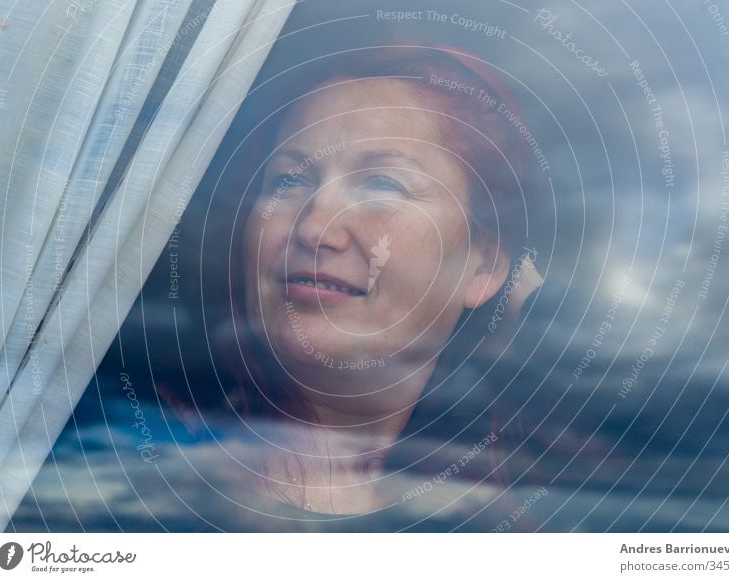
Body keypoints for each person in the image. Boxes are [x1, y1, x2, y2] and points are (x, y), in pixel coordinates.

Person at [215, 43, 550, 526]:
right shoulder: (115, 449)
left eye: (382, 185)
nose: (314, 229)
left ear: (484, 269)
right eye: (288, 181)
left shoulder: (515, 525)